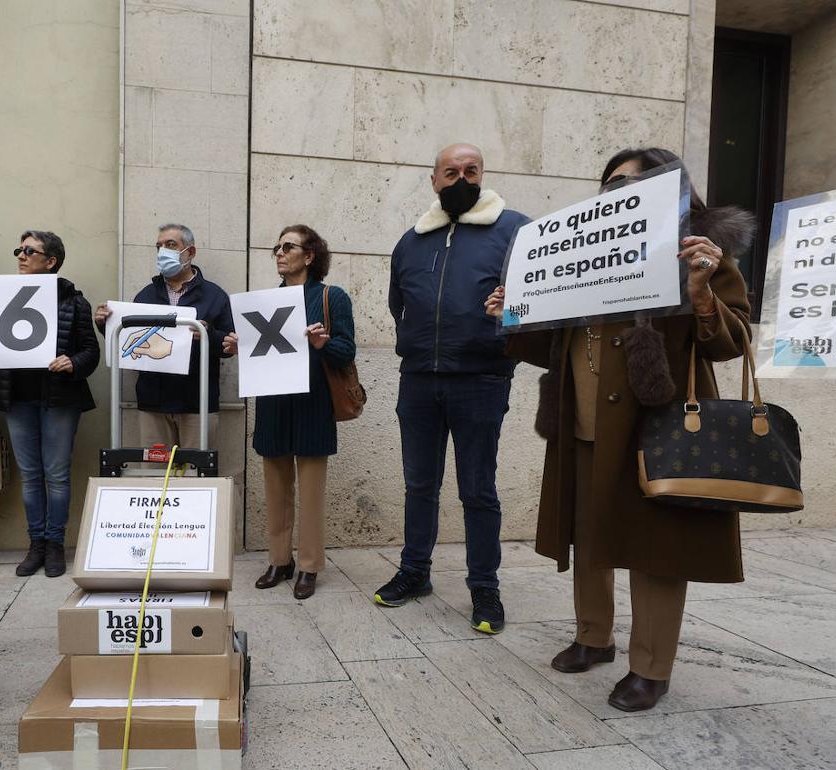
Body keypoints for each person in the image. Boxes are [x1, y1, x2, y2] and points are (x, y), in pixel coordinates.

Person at [487, 147, 754, 712]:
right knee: (588, 533)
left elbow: (731, 341)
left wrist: (702, 290)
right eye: (611, 183)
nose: (618, 192)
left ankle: (651, 667)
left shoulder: (696, 251)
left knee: (657, 547)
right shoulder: (582, 251)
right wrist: (513, 312)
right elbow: (555, 341)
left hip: (653, 426)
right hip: (581, 420)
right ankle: (593, 636)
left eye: (634, 183)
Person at [375, 144, 530, 637]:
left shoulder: (516, 231)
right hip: (419, 379)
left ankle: (484, 585)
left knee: (477, 491)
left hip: (481, 379)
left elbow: (532, 307)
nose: (461, 178)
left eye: (471, 170)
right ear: (434, 180)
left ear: (482, 175)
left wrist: (503, 323)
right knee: (419, 485)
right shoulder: (412, 240)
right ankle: (415, 571)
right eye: (450, 171)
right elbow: (399, 302)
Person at [222, 225, 355, 600]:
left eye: (288, 247)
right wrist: (236, 345)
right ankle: (280, 560)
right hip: (274, 406)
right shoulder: (263, 303)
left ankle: (310, 565)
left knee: (311, 492)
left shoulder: (332, 297)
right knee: (276, 490)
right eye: (276, 248)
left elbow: (347, 352)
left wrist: (322, 343)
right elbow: (259, 352)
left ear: (309, 255)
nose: (280, 253)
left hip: (313, 406)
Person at [0, 231, 99, 578]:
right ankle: (36, 545)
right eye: (19, 249)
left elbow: (91, 352)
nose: (21, 255)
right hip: (18, 397)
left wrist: (72, 363)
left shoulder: (74, 301)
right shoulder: (2, 296)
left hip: (59, 398)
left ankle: (56, 544)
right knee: (30, 476)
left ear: (51, 261)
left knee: (57, 475)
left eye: (30, 250)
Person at [94, 223, 234, 448]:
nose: (163, 252)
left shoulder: (215, 296)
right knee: (155, 477)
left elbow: (229, 347)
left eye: (171, 245)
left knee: (196, 478)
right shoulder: (145, 296)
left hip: (197, 404)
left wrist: (208, 335)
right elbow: (127, 345)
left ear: (190, 252)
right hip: (153, 405)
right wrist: (104, 324)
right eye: (159, 247)